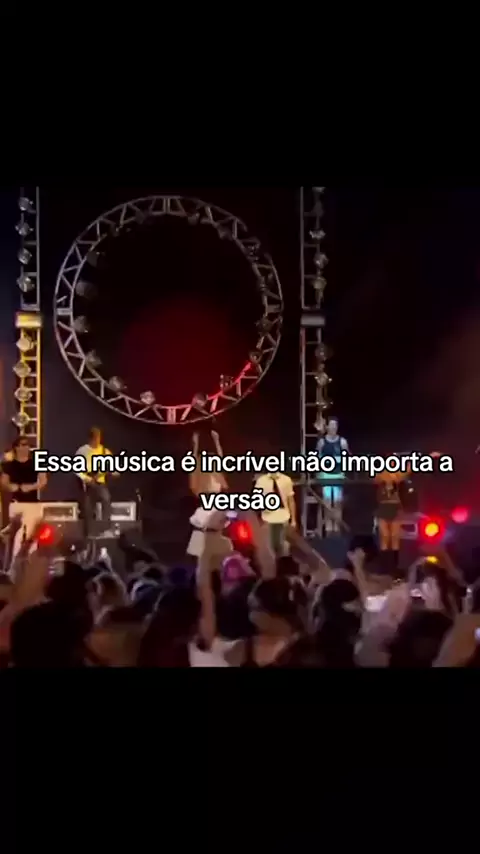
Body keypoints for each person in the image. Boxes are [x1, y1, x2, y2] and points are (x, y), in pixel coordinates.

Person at [1, 437, 47, 570]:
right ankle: (14, 567)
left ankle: (29, 567)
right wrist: (12, 487)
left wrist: (31, 487)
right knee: (18, 535)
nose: (25, 447)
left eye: (27, 445)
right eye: (22, 445)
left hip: (33, 504)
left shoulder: (36, 463)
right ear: (16, 447)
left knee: (31, 536)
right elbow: (4, 483)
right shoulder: (9, 466)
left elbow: (43, 481)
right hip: (17, 504)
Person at [187, 429, 228, 558]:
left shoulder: (216, 472)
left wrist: (216, 441)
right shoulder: (201, 474)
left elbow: (221, 458)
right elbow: (193, 462)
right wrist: (195, 444)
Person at [75, 427, 117, 539]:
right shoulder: (82, 451)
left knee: (106, 499)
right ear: (90, 438)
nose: (97, 440)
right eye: (95, 438)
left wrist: (114, 472)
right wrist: (86, 479)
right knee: (88, 507)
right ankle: (89, 533)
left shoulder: (104, 451)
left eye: (98, 438)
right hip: (88, 483)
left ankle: (106, 529)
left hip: (100, 483)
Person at [316, 417, 349, 534]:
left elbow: (347, 458)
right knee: (327, 503)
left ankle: (337, 528)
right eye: (331, 425)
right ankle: (329, 528)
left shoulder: (342, 441)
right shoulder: (322, 442)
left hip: (338, 475)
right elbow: (317, 457)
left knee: (338, 503)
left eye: (335, 425)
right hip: (326, 475)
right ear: (327, 427)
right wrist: (319, 472)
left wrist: (343, 472)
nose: (334, 427)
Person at [374, 465, 410, 571]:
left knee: (395, 536)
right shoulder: (380, 474)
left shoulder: (397, 474)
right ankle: (384, 565)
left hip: (395, 507)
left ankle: (394, 565)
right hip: (383, 507)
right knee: (385, 536)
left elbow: (409, 469)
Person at [254, 469, 297, 556]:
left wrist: (293, 520)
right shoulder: (261, 481)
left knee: (283, 544)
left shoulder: (286, 480)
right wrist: (259, 520)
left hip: (283, 516)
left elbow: (291, 501)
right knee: (270, 546)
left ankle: (283, 561)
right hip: (267, 517)